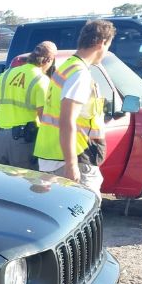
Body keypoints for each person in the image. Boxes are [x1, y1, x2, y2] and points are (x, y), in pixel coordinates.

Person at [34, 20, 116, 193]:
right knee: (85, 214)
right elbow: (67, 120)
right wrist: (71, 165)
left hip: (54, 156)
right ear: (101, 43)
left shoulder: (67, 67)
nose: (107, 52)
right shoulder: (80, 74)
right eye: (109, 46)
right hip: (73, 159)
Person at [0, 41, 56, 170]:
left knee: (2, 184)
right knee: (25, 183)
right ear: (48, 60)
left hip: (0, 139)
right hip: (23, 142)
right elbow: (44, 117)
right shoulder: (41, 80)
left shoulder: (7, 74)